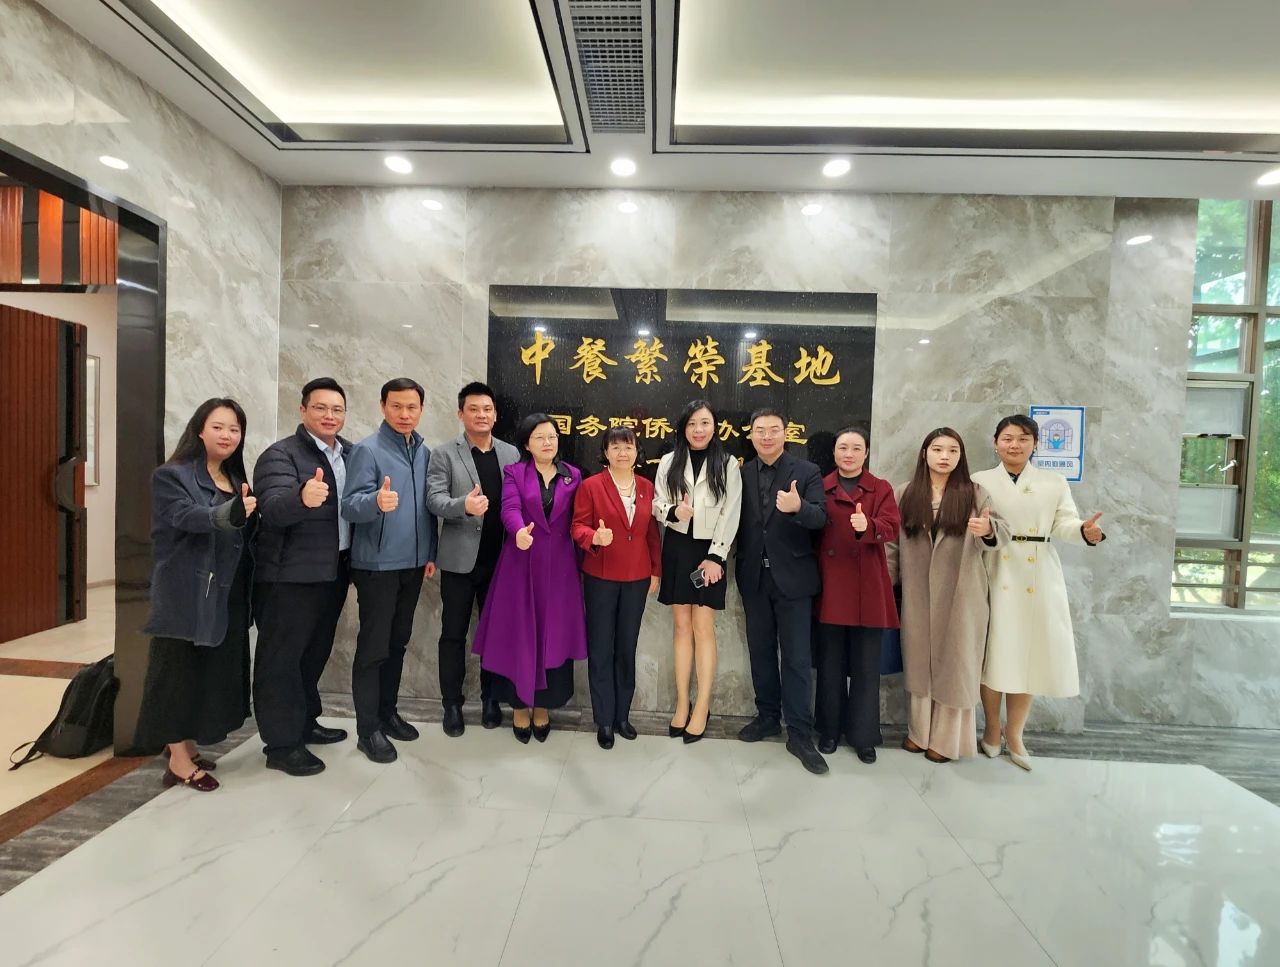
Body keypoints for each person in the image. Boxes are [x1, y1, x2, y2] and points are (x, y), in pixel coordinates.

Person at [135, 398, 257, 791]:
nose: (227, 435)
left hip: (225, 589)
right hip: (186, 591)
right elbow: (186, 516)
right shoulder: (171, 476)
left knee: (204, 673)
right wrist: (229, 514)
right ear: (200, 430)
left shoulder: (234, 477)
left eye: (234, 429)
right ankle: (178, 760)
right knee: (176, 675)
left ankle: (186, 745)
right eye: (218, 427)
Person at [973, 415, 1106, 771]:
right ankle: (991, 728)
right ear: (995, 443)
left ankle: (1015, 732)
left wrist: (1085, 531)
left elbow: (1064, 523)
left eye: (1023, 438)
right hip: (994, 566)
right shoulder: (979, 480)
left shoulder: (1053, 481)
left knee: (1027, 654)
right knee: (994, 653)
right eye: (1007, 438)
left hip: (1037, 572)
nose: (1014, 445)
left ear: (1035, 444)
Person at [251, 377, 353, 776]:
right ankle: (281, 745)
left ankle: (305, 722)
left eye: (337, 409)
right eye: (320, 408)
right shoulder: (281, 455)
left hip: (333, 571)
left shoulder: (349, 454)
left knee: (313, 653)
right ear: (303, 410)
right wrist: (301, 498)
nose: (329, 416)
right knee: (281, 660)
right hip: (288, 577)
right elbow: (273, 508)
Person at [887, 428, 1006, 764]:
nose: (944, 456)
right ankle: (919, 733)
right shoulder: (905, 493)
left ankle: (947, 740)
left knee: (956, 665)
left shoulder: (975, 493)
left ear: (960, 457)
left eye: (953, 450)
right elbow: (891, 546)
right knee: (920, 662)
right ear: (924, 453)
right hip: (918, 593)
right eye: (937, 449)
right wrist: (886, 585)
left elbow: (1002, 532)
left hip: (962, 593)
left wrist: (988, 530)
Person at [472, 413, 587, 743]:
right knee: (520, 634)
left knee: (553, 636)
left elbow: (579, 518)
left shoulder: (573, 475)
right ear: (526, 443)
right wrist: (518, 530)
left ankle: (543, 706)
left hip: (560, 569)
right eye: (540, 437)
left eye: (552, 436)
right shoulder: (515, 472)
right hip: (520, 564)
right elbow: (508, 508)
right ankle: (520, 706)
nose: (548, 443)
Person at [340, 378, 438, 764]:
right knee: (373, 648)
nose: (404, 414)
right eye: (396, 406)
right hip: (377, 566)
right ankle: (368, 729)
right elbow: (350, 505)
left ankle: (387, 713)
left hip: (412, 565)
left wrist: (429, 552)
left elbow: (427, 509)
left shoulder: (423, 451)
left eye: (412, 407)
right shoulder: (367, 450)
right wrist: (376, 502)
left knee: (398, 642)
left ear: (421, 409)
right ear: (383, 406)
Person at [735, 408, 829, 774]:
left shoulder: (807, 472)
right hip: (754, 578)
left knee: (796, 658)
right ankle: (767, 717)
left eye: (774, 430)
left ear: (786, 433)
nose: (767, 436)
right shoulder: (741, 473)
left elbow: (821, 518)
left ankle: (800, 732)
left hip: (794, 580)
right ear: (751, 435)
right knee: (760, 652)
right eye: (760, 430)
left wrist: (798, 507)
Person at [426, 381, 520, 737]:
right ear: (460, 413)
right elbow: (433, 499)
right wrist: (463, 505)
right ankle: (452, 703)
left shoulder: (511, 454)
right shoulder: (444, 454)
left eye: (487, 409)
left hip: (501, 562)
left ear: (496, 415)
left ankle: (491, 698)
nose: (481, 415)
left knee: (495, 634)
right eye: (474, 409)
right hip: (460, 563)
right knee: (453, 634)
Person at [651, 400, 742, 743]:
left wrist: (717, 557)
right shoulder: (669, 461)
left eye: (704, 423)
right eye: (691, 424)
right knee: (681, 626)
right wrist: (673, 511)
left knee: (703, 627)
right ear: (683, 428)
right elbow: (657, 504)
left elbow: (731, 513)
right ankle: (681, 703)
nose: (698, 429)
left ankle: (702, 705)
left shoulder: (727, 463)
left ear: (714, 426)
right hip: (677, 547)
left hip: (710, 553)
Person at [814, 425, 900, 763]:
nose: (848, 454)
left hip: (868, 586)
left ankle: (864, 736)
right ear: (834, 452)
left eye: (855, 448)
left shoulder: (881, 488)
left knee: (866, 667)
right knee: (830, 664)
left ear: (866, 453)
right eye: (842, 448)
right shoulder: (820, 486)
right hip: (831, 585)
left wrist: (870, 527)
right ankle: (829, 731)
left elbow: (893, 526)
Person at [572, 426, 662, 749]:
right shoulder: (591, 486)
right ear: (605, 453)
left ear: (637, 452)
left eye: (628, 446)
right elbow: (577, 526)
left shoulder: (647, 487)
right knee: (601, 648)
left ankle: (623, 715)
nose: (623, 453)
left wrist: (655, 570)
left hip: (637, 578)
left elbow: (651, 533)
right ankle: (605, 720)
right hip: (601, 577)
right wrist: (594, 537)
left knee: (627, 647)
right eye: (615, 447)